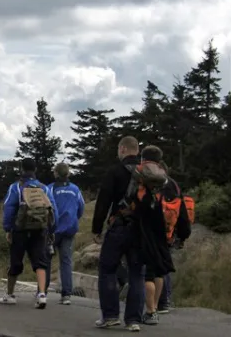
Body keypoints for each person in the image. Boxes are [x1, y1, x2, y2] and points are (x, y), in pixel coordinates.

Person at [92, 136, 144, 332]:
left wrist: (97, 229)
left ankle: (111, 316)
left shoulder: (115, 172)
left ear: (123, 149)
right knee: (137, 274)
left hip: (119, 227)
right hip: (141, 231)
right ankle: (133, 320)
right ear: (137, 150)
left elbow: (103, 201)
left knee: (107, 269)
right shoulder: (146, 173)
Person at [0, 157, 58, 309]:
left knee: (16, 262)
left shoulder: (16, 187)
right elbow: (53, 210)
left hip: (20, 230)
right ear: (35, 170)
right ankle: (42, 295)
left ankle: (10, 295)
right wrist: (51, 229)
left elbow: (9, 208)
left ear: (21, 169)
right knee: (40, 262)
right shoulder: (44, 188)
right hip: (40, 230)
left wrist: (8, 228)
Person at [132, 146, 175, 326]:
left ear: (143, 158)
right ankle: (155, 306)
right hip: (164, 232)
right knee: (158, 271)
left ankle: (150, 311)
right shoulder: (169, 182)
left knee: (147, 275)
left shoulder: (139, 175)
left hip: (143, 229)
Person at [154, 161, 192, 315]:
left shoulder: (158, 186)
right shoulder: (175, 186)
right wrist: (183, 236)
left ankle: (161, 301)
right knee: (165, 265)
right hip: (171, 233)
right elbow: (182, 213)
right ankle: (166, 299)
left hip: (158, 233)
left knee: (159, 267)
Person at [45, 162, 85, 305]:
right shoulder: (75, 189)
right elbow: (81, 207)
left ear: (56, 173)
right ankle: (66, 294)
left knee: (46, 260)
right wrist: (74, 219)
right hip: (69, 229)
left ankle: (42, 291)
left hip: (53, 230)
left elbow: (45, 208)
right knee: (66, 261)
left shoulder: (50, 188)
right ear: (68, 173)